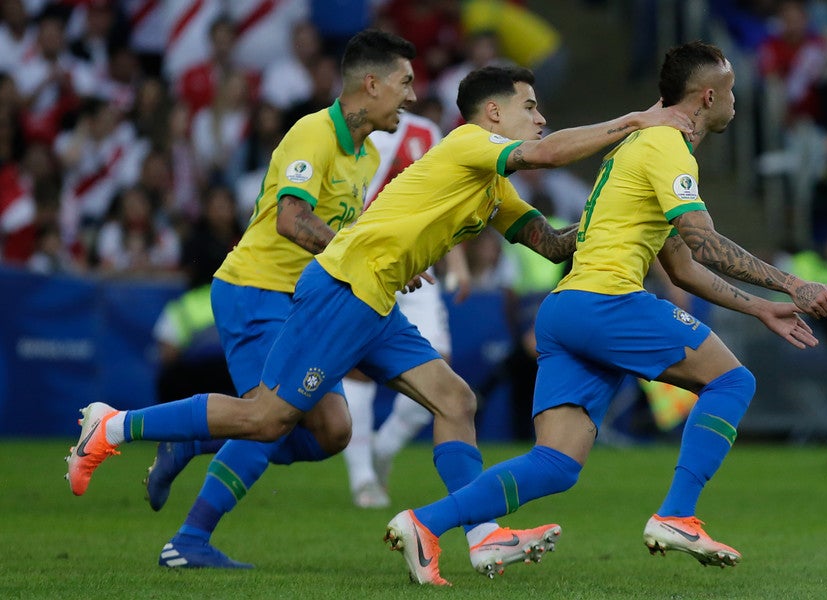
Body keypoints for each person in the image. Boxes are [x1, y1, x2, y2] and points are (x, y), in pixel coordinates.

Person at [65, 63, 695, 582]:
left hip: (376, 297)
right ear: (493, 114)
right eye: (530, 105)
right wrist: (634, 122)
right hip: (345, 287)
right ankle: (113, 425)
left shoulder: (490, 186)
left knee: (453, 399)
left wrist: (623, 209)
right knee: (265, 417)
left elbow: (555, 245)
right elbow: (545, 154)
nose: (541, 116)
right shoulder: (471, 143)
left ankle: (479, 537)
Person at [383, 41, 827, 585]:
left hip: (564, 313)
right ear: (707, 96)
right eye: (731, 92)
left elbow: (680, 265)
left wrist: (764, 308)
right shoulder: (667, 144)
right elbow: (704, 243)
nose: (735, 101)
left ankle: (425, 522)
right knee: (732, 381)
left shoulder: (638, 151)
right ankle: (677, 514)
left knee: (556, 464)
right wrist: (794, 283)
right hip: (607, 301)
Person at [141, 29, 420, 569]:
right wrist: (357, 257)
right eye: (405, 82)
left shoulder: (364, 153)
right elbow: (293, 220)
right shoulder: (312, 134)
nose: (411, 95)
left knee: (334, 431)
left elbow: (346, 233)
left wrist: (391, 261)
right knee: (268, 420)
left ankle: (198, 440)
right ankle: (188, 540)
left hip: (303, 304)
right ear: (372, 83)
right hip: (256, 291)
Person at [341, 108, 471, 509]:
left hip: (418, 268)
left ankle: (385, 446)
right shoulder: (343, 129)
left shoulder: (424, 132)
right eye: (403, 81)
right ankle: (362, 477)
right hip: (360, 263)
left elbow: (445, 201)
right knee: (358, 371)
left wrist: (457, 260)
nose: (409, 92)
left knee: (440, 368)